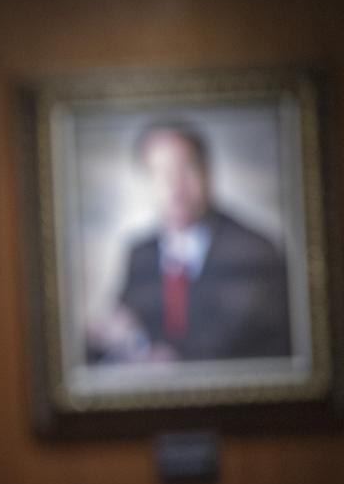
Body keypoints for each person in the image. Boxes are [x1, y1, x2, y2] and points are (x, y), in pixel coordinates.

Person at [89, 120, 291, 364]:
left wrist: (158, 355)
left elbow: (235, 342)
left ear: (207, 172)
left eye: (185, 168)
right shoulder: (140, 253)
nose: (175, 185)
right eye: (159, 172)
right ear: (144, 183)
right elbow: (123, 323)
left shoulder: (253, 250)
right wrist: (110, 331)